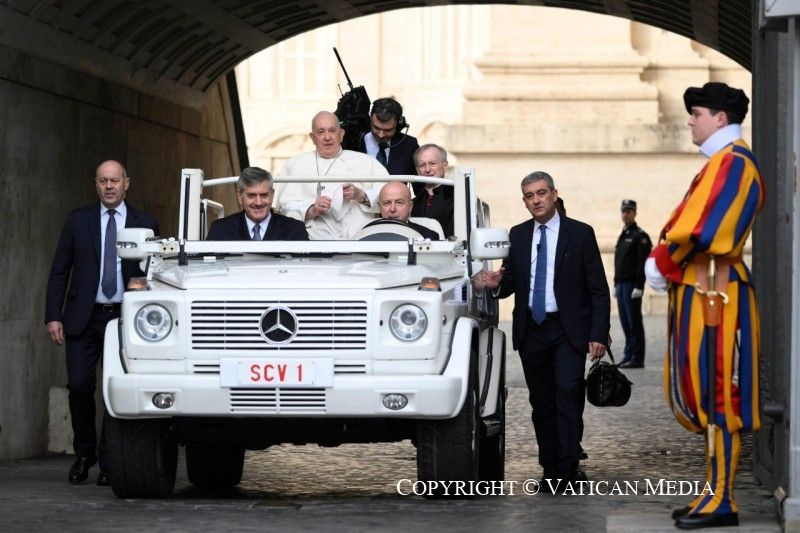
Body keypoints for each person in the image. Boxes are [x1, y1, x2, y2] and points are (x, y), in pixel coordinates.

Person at [645, 82, 764, 529]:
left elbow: (703, 230)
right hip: (707, 286)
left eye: (697, 113)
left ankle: (723, 500)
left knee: (717, 392)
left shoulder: (733, 164)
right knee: (705, 391)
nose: (690, 121)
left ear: (719, 119)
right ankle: (713, 493)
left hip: (716, 290)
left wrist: (662, 260)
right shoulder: (723, 163)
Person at [476, 171, 610, 490]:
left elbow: (599, 290)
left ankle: (567, 469)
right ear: (524, 200)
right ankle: (550, 469)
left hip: (569, 331)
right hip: (532, 330)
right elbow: (511, 283)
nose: (535, 200)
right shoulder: (518, 235)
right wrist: (496, 284)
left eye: (540, 193)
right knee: (542, 402)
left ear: (553, 194)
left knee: (568, 394)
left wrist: (598, 333)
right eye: (529, 196)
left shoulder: (580, 233)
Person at [45, 160, 159, 486]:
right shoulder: (77, 220)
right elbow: (59, 270)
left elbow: (156, 272)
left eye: (115, 181)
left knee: (115, 391)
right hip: (84, 318)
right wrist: (53, 314)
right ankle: (85, 453)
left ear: (127, 183)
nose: (109, 186)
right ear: (96, 184)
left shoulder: (145, 223)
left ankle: (111, 461)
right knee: (80, 387)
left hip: (124, 321)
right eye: (103, 181)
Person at [278, 111, 388, 240]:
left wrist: (361, 195)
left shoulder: (367, 162)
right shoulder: (295, 165)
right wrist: (312, 209)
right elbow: (284, 207)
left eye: (332, 131)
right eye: (321, 132)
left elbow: (391, 197)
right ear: (313, 138)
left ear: (341, 134)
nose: (327, 137)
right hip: (315, 243)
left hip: (361, 239)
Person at [206, 167, 308, 241]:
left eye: (264, 195)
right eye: (251, 195)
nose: (258, 203)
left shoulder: (295, 229)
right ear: (240, 197)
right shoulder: (221, 229)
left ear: (272, 196)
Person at [613, 199, 652, 369]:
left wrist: (639, 286)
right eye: (623, 211)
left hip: (632, 285)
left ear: (635, 213)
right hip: (621, 284)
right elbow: (619, 261)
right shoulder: (624, 234)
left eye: (629, 211)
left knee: (634, 321)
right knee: (625, 321)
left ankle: (637, 356)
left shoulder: (640, 236)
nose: (625, 214)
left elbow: (642, 264)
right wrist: (615, 283)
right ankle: (628, 354)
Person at [358, 97, 419, 177]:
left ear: (398, 124)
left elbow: (421, 185)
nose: (381, 135)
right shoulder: (354, 142)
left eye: (387, 130)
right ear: (370, 118)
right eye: (376, 128)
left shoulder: (409, 145)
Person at [410, 143, 454, 238]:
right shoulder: (414, 203)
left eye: (432, 163)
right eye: (422, 165)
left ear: (445, 165)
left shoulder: (459, 196)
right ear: (417, 171)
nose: (427, 169)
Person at [372, 181, 440, 240]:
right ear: (380, 207)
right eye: (387, 203)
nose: (392, 209)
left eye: (399, 203)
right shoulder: (367, 235)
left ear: (410, 206)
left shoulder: (428, 237)